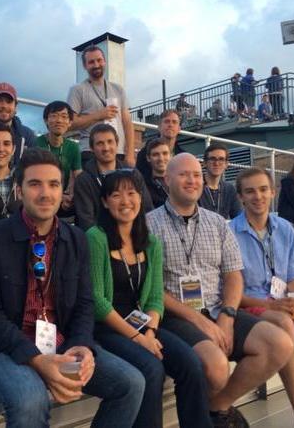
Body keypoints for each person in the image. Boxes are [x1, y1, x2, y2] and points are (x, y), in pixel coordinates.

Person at [0, 148, 145, 428]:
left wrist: (82, 346)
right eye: (35, 184)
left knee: (131, 384)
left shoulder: (75, 238)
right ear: (19, 190)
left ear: (63, 191)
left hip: (60, 340)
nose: (45, 193)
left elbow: (85, 304)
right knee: (31, 400)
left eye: (53, 184)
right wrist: (36, 360)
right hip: (1, 348)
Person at [147, 153, 294, 428]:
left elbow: (233, 275)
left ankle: (217, 407)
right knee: (215, 367)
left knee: (279, 344)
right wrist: (200, 321)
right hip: (176, 316)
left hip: (218, 308)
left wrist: (227, 315)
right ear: (167, 179)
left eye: (196, 175)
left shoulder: (217, 223)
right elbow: (152, 288)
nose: (192, 180)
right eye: (183, 174)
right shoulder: (148, 225)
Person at [86, 169, 212, 428]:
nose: (125, 201)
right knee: (152, 368)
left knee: (191, 364)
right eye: (116, 194)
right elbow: (97, 301)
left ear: (140, 198)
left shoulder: (150, 242)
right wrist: (138, 338)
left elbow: (155, 297)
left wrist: (151, 332)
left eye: (131, 193)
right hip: (107, 327)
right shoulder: (96, 237)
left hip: (144, 325)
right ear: (104, 202)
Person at [230, 167, 294, 428]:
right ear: (241, 197)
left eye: (263, 189)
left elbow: (291, 275)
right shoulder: (229, 233)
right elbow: (233, 293)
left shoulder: (286, 228)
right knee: (283, 322)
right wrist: (273, 305)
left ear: (273, 192)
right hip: (252, 306)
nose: (258, 196)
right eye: (250, 191)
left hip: (281, 301)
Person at [74, 124, 153, 231]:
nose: (106, 148)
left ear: (117, 144)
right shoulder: (83, 180)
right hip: (100, 242)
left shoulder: (133, 174)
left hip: (134, 238)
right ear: (92, 148)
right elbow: (87, 221)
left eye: (110, 142)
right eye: (100, 143)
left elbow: (148, 211)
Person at [67, 45, 135, 166]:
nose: (96, 65)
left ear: (105, 61)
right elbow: (70, 123)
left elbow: (127, 123)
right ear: (85, 66)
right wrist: (98, 115)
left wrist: (130, 154)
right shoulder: (77, 90)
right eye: (91, 62)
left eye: (99, 60)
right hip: (90, 151)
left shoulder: (118, 89)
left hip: (118, 152)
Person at [36, 101, 81, 215]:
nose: (59, 120)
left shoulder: (73, 147)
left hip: (64, 199)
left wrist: (71, 196)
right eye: (54, 116)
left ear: (70, 122)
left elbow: (78, 176)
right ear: (46, 120)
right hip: (41, 195)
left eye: (64, 117)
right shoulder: (37, 143)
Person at [136, 109, 184, 182]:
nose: (170, 125)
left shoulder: (182, 156)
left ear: (179, 129)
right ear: (159, 127)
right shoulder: (145, 153)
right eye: (167, 121)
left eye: (174, 122)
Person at [199, 143, 242, 219]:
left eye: (221, 159)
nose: (216, 163)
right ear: (205, 163)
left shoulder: (230, 189)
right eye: (212, 159)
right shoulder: (196, 185)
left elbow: (238, 217)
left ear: (226, 164)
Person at [144, 138, 170, 208]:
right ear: (148, 158)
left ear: (170, 156)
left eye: (165, 153)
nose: (161, 158)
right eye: (156, 154)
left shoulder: (180, 181)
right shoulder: (143, 186)